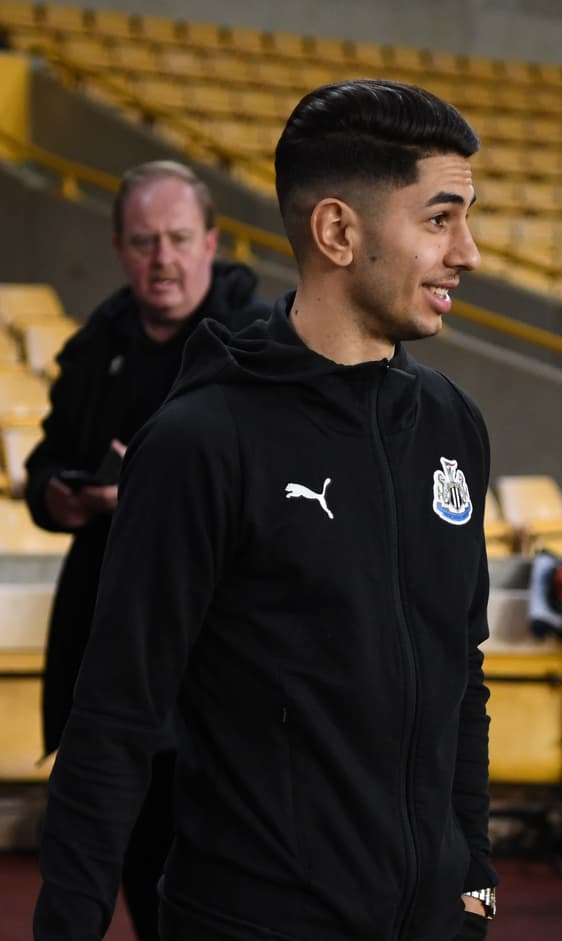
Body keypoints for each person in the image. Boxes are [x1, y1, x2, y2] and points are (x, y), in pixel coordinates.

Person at [34, 79, 498, 941]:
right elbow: (116, 716)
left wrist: (472, 883)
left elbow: (460, 673)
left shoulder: (452, 424)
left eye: (466, 216)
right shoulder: (201, 441)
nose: (467, 251)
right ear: (335, 230)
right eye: (440, 218)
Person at [25, 159, 270, 941]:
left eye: (175, 238)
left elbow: (282, 494)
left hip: (219, 669)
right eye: (142, 241)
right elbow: (45, 461)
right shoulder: (97, 343)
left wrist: (151, 500)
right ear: (118, 248)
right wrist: (56, 495)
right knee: (125, 876)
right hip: (109, 649)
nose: (161, 258)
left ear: (211, 241)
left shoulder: (262, 345)